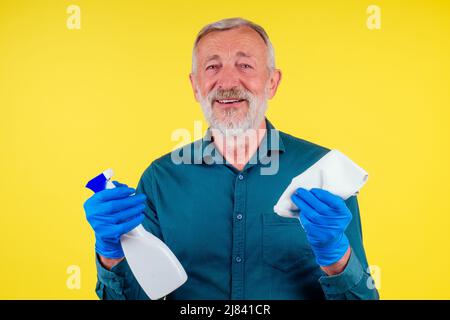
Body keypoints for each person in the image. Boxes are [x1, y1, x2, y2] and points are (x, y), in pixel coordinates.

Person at [83, 17, 379, 300]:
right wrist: (111, 253)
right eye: (212, 67)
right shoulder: (161, 178)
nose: (227, 81)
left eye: (245, 65)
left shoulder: (323, 172)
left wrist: (337, 258)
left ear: (272, 83)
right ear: (195, 86)